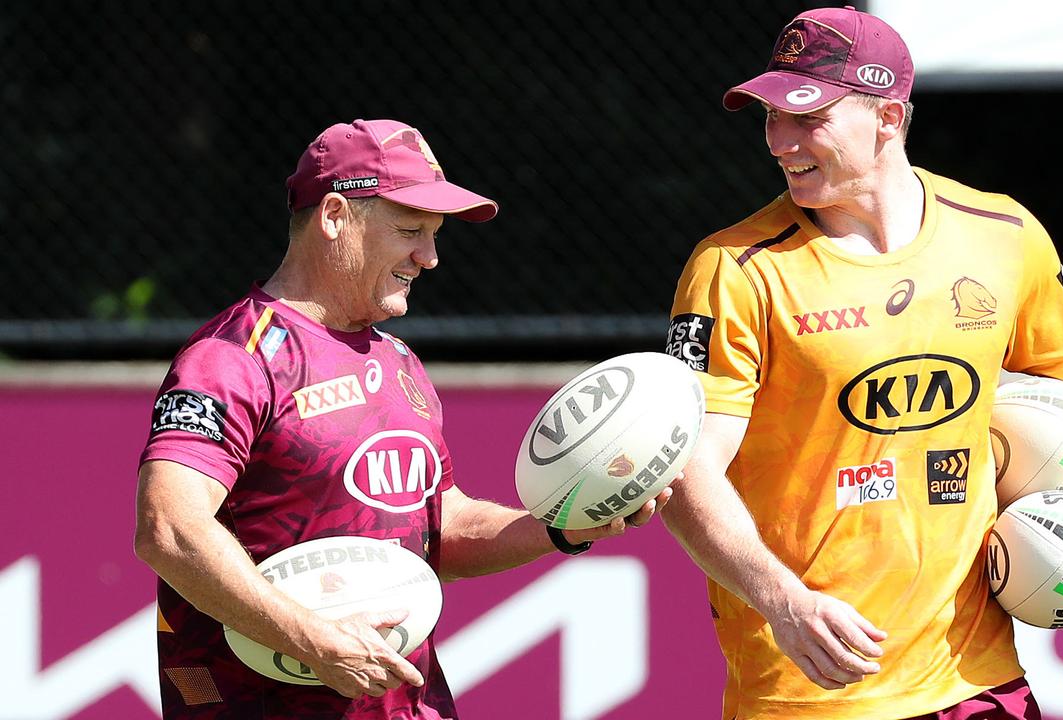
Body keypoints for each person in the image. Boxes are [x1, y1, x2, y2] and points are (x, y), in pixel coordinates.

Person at [661, 7, 1063, 720]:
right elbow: (687, 470)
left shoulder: (1001, 234)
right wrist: (783, 600)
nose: (779, 140)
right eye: (770, 116)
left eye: (809, 117)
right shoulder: (732, 270)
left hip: (978, 681)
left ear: (888, 119)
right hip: (812, 691)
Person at [133, 118, 670, 720]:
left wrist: (562, 526)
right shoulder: (234, 357)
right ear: (335, 217)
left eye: (435, 234)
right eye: (411, 230)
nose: (430, 257)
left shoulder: (399, 361)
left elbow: (439, 528)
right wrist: (317, 641)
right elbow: (170, 528)